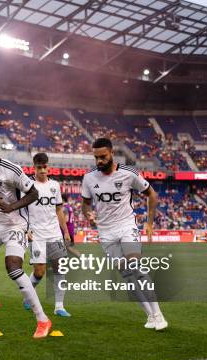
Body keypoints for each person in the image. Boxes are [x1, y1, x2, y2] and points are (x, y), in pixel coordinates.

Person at [0, 135, 52, 339]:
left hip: (16, 223)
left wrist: (11, 206)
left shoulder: (11, 170)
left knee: (13, 268)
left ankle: (42, 319)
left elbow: (33, 194)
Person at [81, 138, 168, 331]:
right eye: (96, 158)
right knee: (127, 276)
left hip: (127, 226)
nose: (99, 161)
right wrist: (88, 215)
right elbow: (85, 204)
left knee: (136, 267)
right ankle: (150, 316)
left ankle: (158, 313)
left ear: (112, 153)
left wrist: (150, 222)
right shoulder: (88, 178)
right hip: (105, 233)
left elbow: (152, 194)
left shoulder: (129, 174)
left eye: (103, 157)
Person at [25, 153, 72, 317]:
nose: (43, 170)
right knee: (39, 272)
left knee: (60, 269)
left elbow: (59, 209)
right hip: (36, 234)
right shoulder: (27, 185)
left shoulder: (55, 185)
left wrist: (65, 231)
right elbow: (22, 209)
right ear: (34, 167)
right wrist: (26, 228)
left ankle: (59, 306)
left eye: (45, 167)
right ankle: (28, 295)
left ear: (48, 166)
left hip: (54, 234)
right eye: (39, 167)